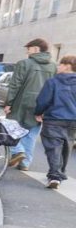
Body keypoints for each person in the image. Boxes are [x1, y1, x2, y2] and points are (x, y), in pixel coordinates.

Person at [6, 38, 57, 171]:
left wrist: (8, 103)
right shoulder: (53, 66)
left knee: (10, 128)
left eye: (28, 49)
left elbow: (15, 84)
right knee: (31, 134)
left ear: (35, 49)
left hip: (21, 103)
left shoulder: (24, 63)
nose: (27, 52)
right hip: (42, 105)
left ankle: (18, 151)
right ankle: (25, 163)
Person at [34, 55, 76, 189]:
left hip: (54, 118)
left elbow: (43, 100)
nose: (58, 67)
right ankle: (60, 172)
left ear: (67, 66)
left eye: (60, 64)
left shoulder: (53, 82)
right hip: (73, 120)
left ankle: (55, 176)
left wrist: (38, 112)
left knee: (53, 147)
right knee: (66, 146)